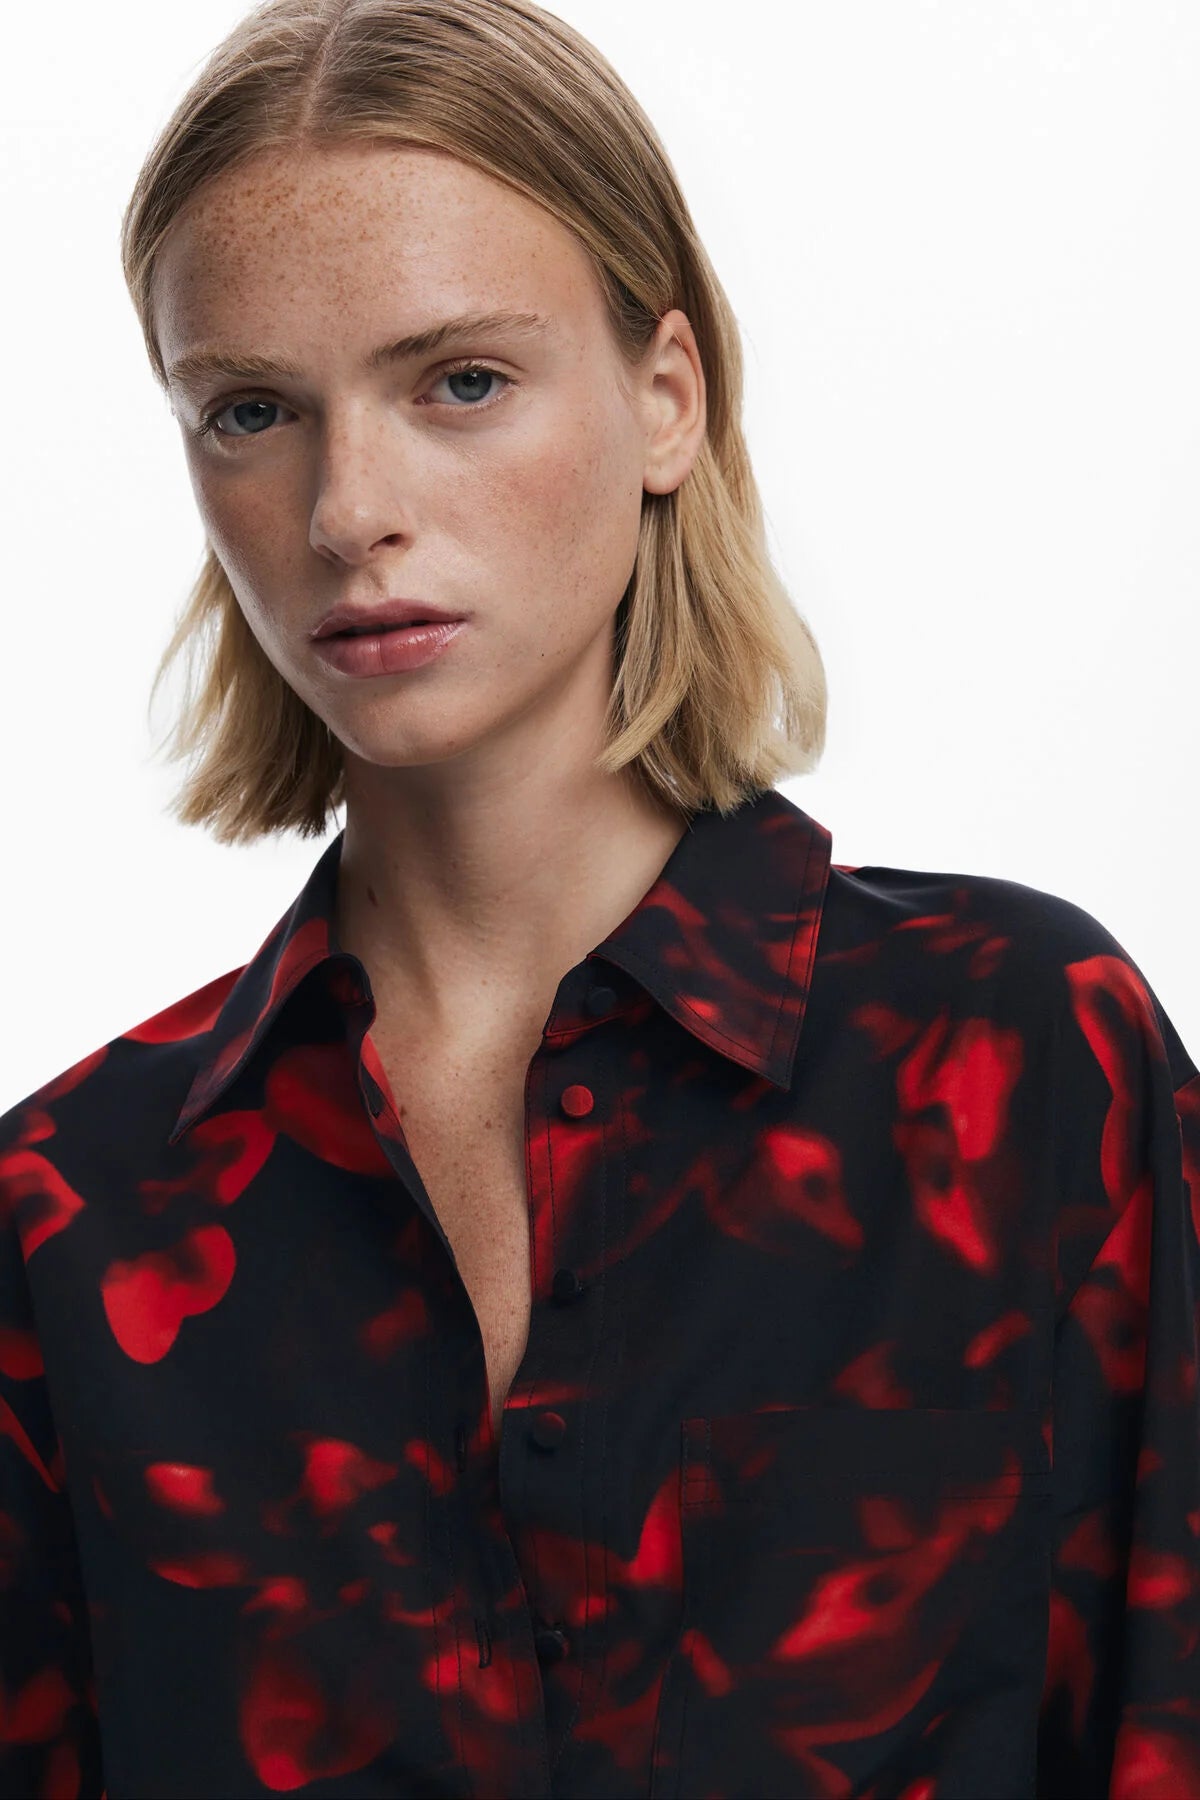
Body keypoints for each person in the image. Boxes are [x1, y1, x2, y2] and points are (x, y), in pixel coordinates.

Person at [2, 0, 1197, 1795]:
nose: (348, 510)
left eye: (458, 382)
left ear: (666, 396)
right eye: (252, 410)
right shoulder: (68, 1220)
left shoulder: (1019, 1051)